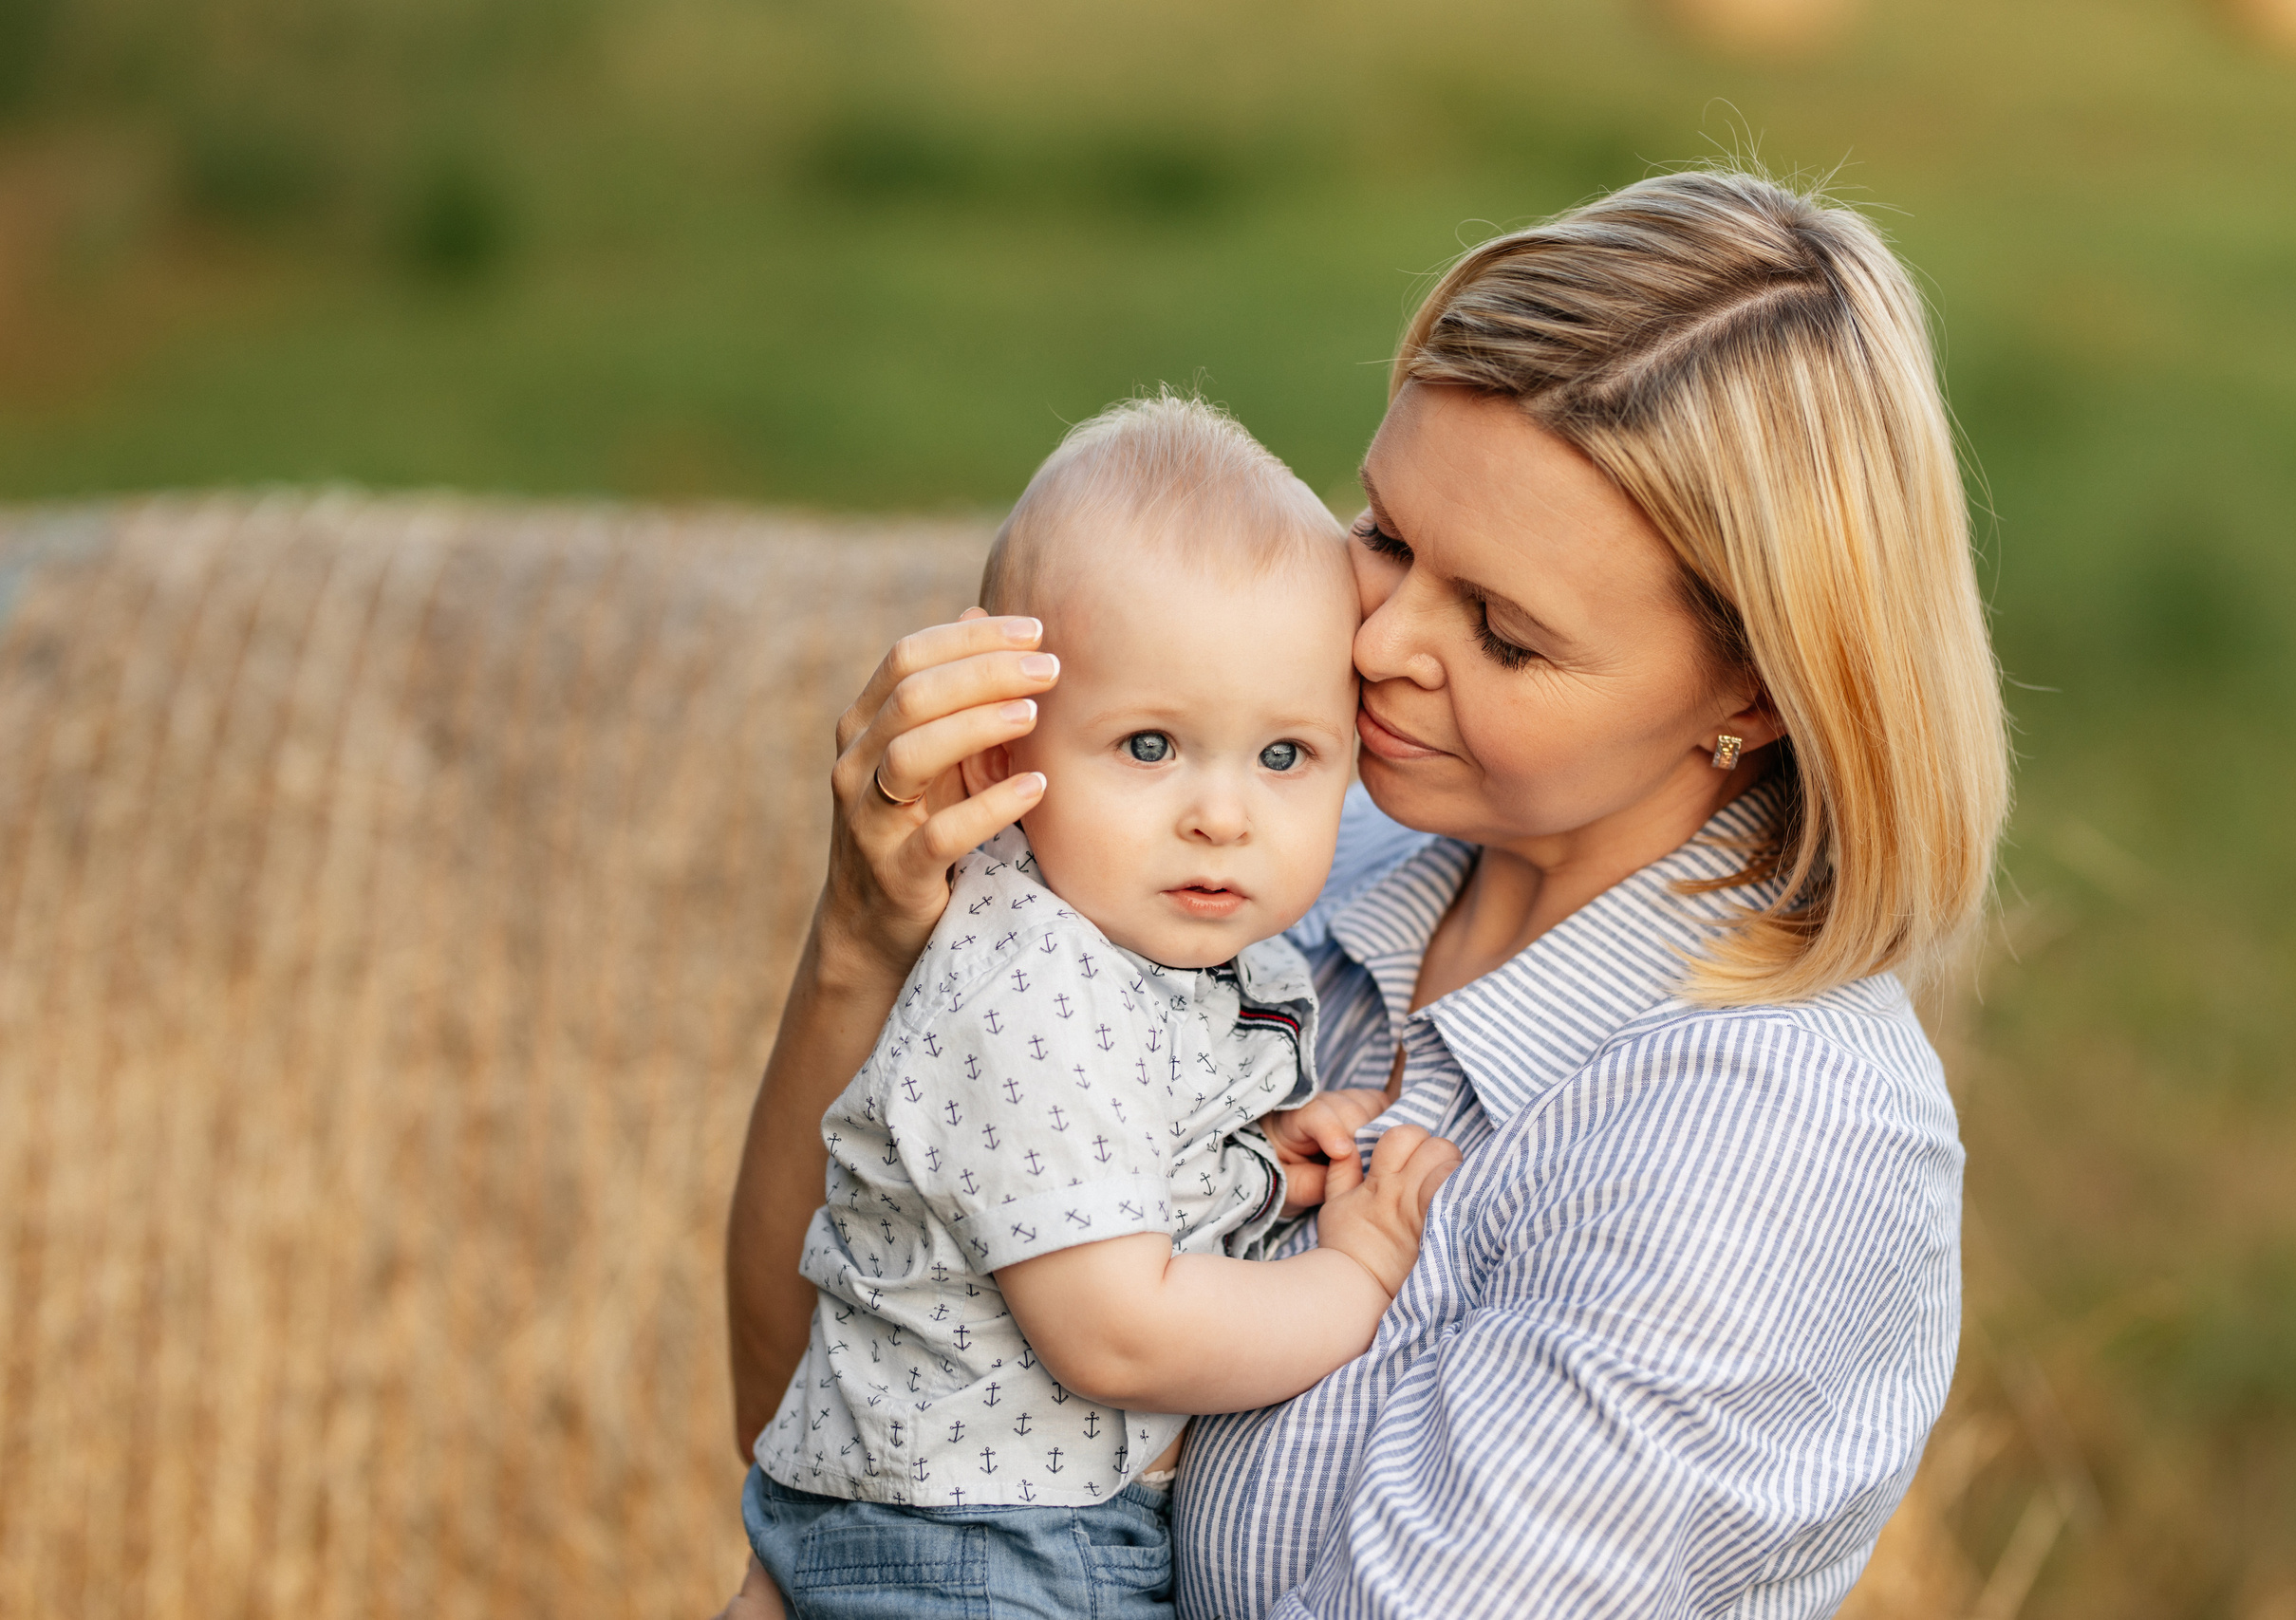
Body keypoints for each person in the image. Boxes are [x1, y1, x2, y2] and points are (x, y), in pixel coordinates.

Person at [726, 164, 2009, 1617]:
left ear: (1757, 693)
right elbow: (831, 1435)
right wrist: (865, 947)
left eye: (1504, 632)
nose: (1383, 643)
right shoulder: (1280, 863)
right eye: (1387, 535)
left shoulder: (1762, 1156)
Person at [729, 395, 1462, 1620]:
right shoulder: (1036, 987)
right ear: (1000, 755)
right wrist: (1355, 1274)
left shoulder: (1131, 952)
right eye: (1149, 746)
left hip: (962, 1525)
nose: (1221, 816)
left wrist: (1256, 1159)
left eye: (1285, 756)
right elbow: (1119, 1333)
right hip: (987, 1550)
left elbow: (1092, 1163)